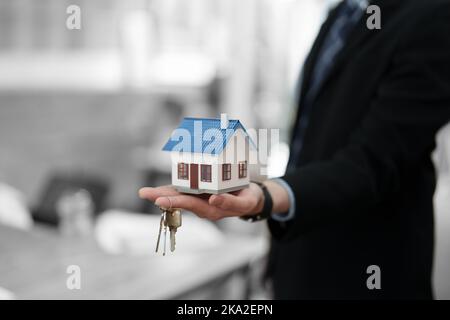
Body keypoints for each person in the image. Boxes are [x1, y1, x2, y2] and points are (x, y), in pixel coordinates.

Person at [139, 0, 450, 299]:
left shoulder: (433, 17)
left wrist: (266, 196)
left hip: (365, 276)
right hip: (299, 267)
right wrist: (278, 260)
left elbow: (369, 165)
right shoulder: (343, 13)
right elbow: (309, 144)